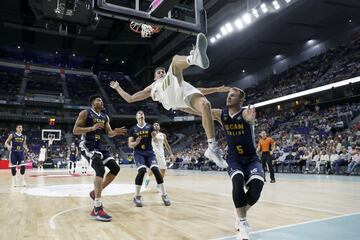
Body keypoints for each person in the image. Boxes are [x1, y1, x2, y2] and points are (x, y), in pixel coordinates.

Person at [110, 33, 229, 169]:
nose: (161, 73)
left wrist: (217, 89)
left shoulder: (173, 79)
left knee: (206, 105)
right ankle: (193, 58)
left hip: (182, 91)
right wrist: (118, 87)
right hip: (168, 95)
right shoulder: (153, 86)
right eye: (158, 72)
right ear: (155, 78)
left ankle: (212, 147)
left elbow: (200, 89)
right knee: (175, 60)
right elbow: (130, 99)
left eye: (162, 72)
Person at [181, 87, 264, 240]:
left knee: (257, 188)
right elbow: (200, 111)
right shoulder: (222, 114)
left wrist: (252, 118)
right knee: (237, 181)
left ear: (241, 100)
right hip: (234, 158)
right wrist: (179, 105)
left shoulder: (245, 113)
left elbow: (249, 117)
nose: (229, 97)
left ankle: (240, 211)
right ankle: (242, 223)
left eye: (233, 96)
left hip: (252, 158)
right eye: (228, 95)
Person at [73, 95, 127, 222]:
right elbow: (75, 130)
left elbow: (109, 133)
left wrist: (115, 132)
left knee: (115, 168)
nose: (101, 101)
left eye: (102, 100)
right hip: (87, 144)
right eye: (98, 100)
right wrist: (91, 128)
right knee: (100, 170)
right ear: (92, 103)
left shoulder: (105, 117)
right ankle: (97, 207)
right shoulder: (85, 113)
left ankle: (95, 192)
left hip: (100, 145)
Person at [129, 110, 171, 207]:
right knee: (142, 170)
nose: (141, 114)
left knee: (156, 170)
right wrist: (136, 143)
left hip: (149, 152)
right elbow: (130, 145)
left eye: (142, 113)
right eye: (139, 113)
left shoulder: (149, 127)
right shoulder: (133, 129)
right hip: (139, 153)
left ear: (144, 116)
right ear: (136, 117)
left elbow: (155, 140)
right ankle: (137, 196)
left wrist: (154, 137)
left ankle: (164, 195)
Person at [144, 122, 175, 190]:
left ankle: (158, 184)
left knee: (163, 170)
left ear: (159, 127)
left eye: (157, 125)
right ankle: (146, 182)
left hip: (161, 154)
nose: (156, 126)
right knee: (151, 170)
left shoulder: (163, 135)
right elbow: (154, 141)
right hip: (153, 154)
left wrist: (171, 154)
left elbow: (166, 145)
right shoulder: (150, 134)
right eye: (154, 125)